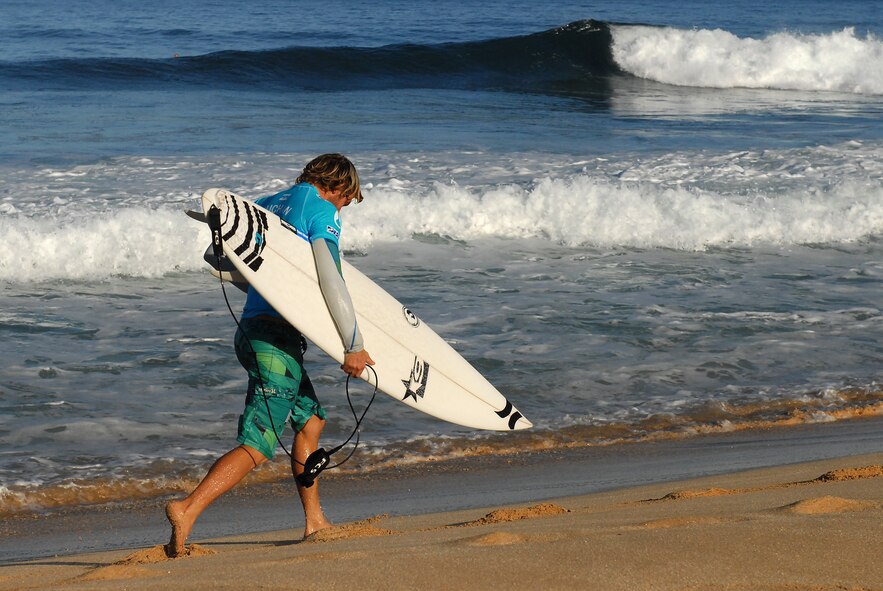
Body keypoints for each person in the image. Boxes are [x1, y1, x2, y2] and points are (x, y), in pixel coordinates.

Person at [165, 154, 375, 557]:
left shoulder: (266, 203)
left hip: (254, 332)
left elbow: (223, 262)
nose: (344, 208)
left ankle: (315, 522)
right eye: (347, 199)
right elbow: (330, 277)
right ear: (340, 187)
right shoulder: (319, 209)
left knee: (310, 421)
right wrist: (352, 344)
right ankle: (187, 508)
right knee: (258, 443)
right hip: (275, 343)